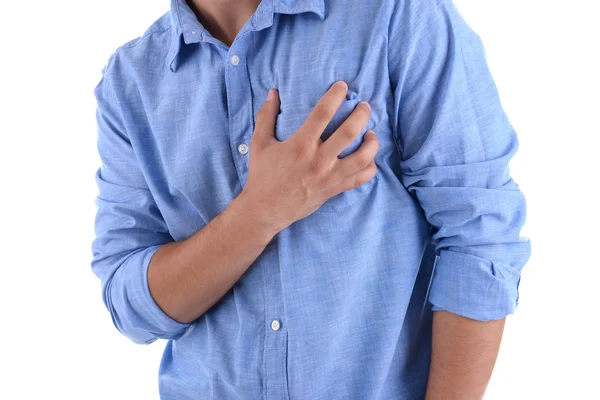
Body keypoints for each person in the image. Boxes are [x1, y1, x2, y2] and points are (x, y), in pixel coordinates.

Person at [90, 0, 531, 398]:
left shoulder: (396, 15)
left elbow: (479, 237)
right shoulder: (129, 81)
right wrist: (258, 212)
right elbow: (133, 306)